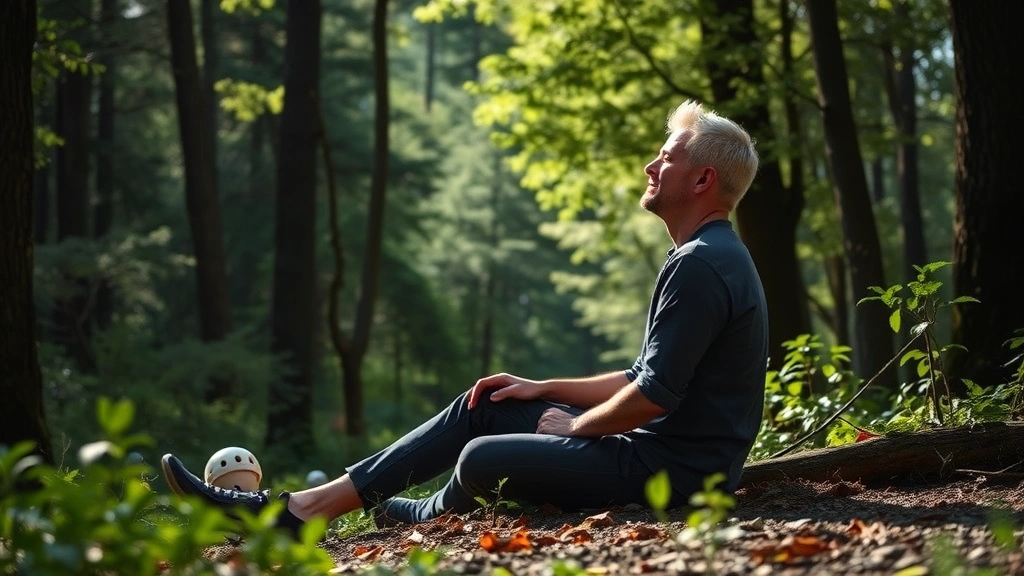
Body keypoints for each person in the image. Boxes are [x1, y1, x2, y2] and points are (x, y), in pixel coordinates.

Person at [161, 100, 768, 537]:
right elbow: (643, 376)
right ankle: (304, 508)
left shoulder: (702, 266)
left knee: (481, 457)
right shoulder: (707, 257)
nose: (650, 168)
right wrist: (541, 389)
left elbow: (651, 399)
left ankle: (421, 512)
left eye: (665, 158)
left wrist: (576, 430)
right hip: (652, 450)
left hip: (674, 474)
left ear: (703, 179)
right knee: (490, 403)